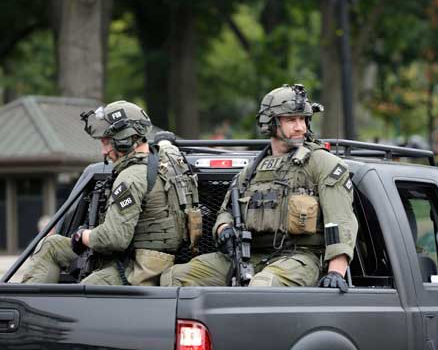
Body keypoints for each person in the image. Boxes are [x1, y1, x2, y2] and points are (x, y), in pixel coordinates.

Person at [161, 84, 358, 292]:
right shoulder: (252, 170)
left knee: (263, 285)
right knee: (174, 277)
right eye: (291, 120)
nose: (300, 127)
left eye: (303, 119)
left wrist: (336, 271)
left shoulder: (322, 163)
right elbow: (226, 211)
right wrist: (224, 229)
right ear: (271, 123)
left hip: (301, 257)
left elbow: (341, 221)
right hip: (249, 255)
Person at [21, 101, 188, 286]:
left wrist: (82, 236)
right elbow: (168, 147)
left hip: (137, 268)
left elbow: (114, 238)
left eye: (107, 142)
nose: (104, 151)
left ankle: (30, 308)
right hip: (155, 260)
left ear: (124, 140)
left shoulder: (130, 178)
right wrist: (166, 141)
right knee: (52, 245)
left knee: (83, 293)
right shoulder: (168, 159)